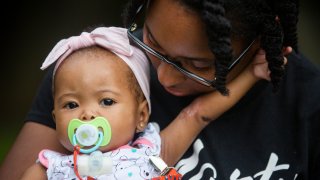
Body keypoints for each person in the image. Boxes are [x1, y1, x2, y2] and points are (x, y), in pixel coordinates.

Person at [1, 0, 319, 179]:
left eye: (196, 65)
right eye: (152, 41)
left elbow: (197, 115)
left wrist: (252, 74)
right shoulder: (91, 74)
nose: (164, 79)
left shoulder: (308, 105)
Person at [19, 26, 268, 180]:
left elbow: (198, 114)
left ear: (141, 116)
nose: (87, 114)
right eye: (71, 105)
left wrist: (251, 74)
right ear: (55, 119)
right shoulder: (50, 169)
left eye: (106, 101)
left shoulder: (150, 154)